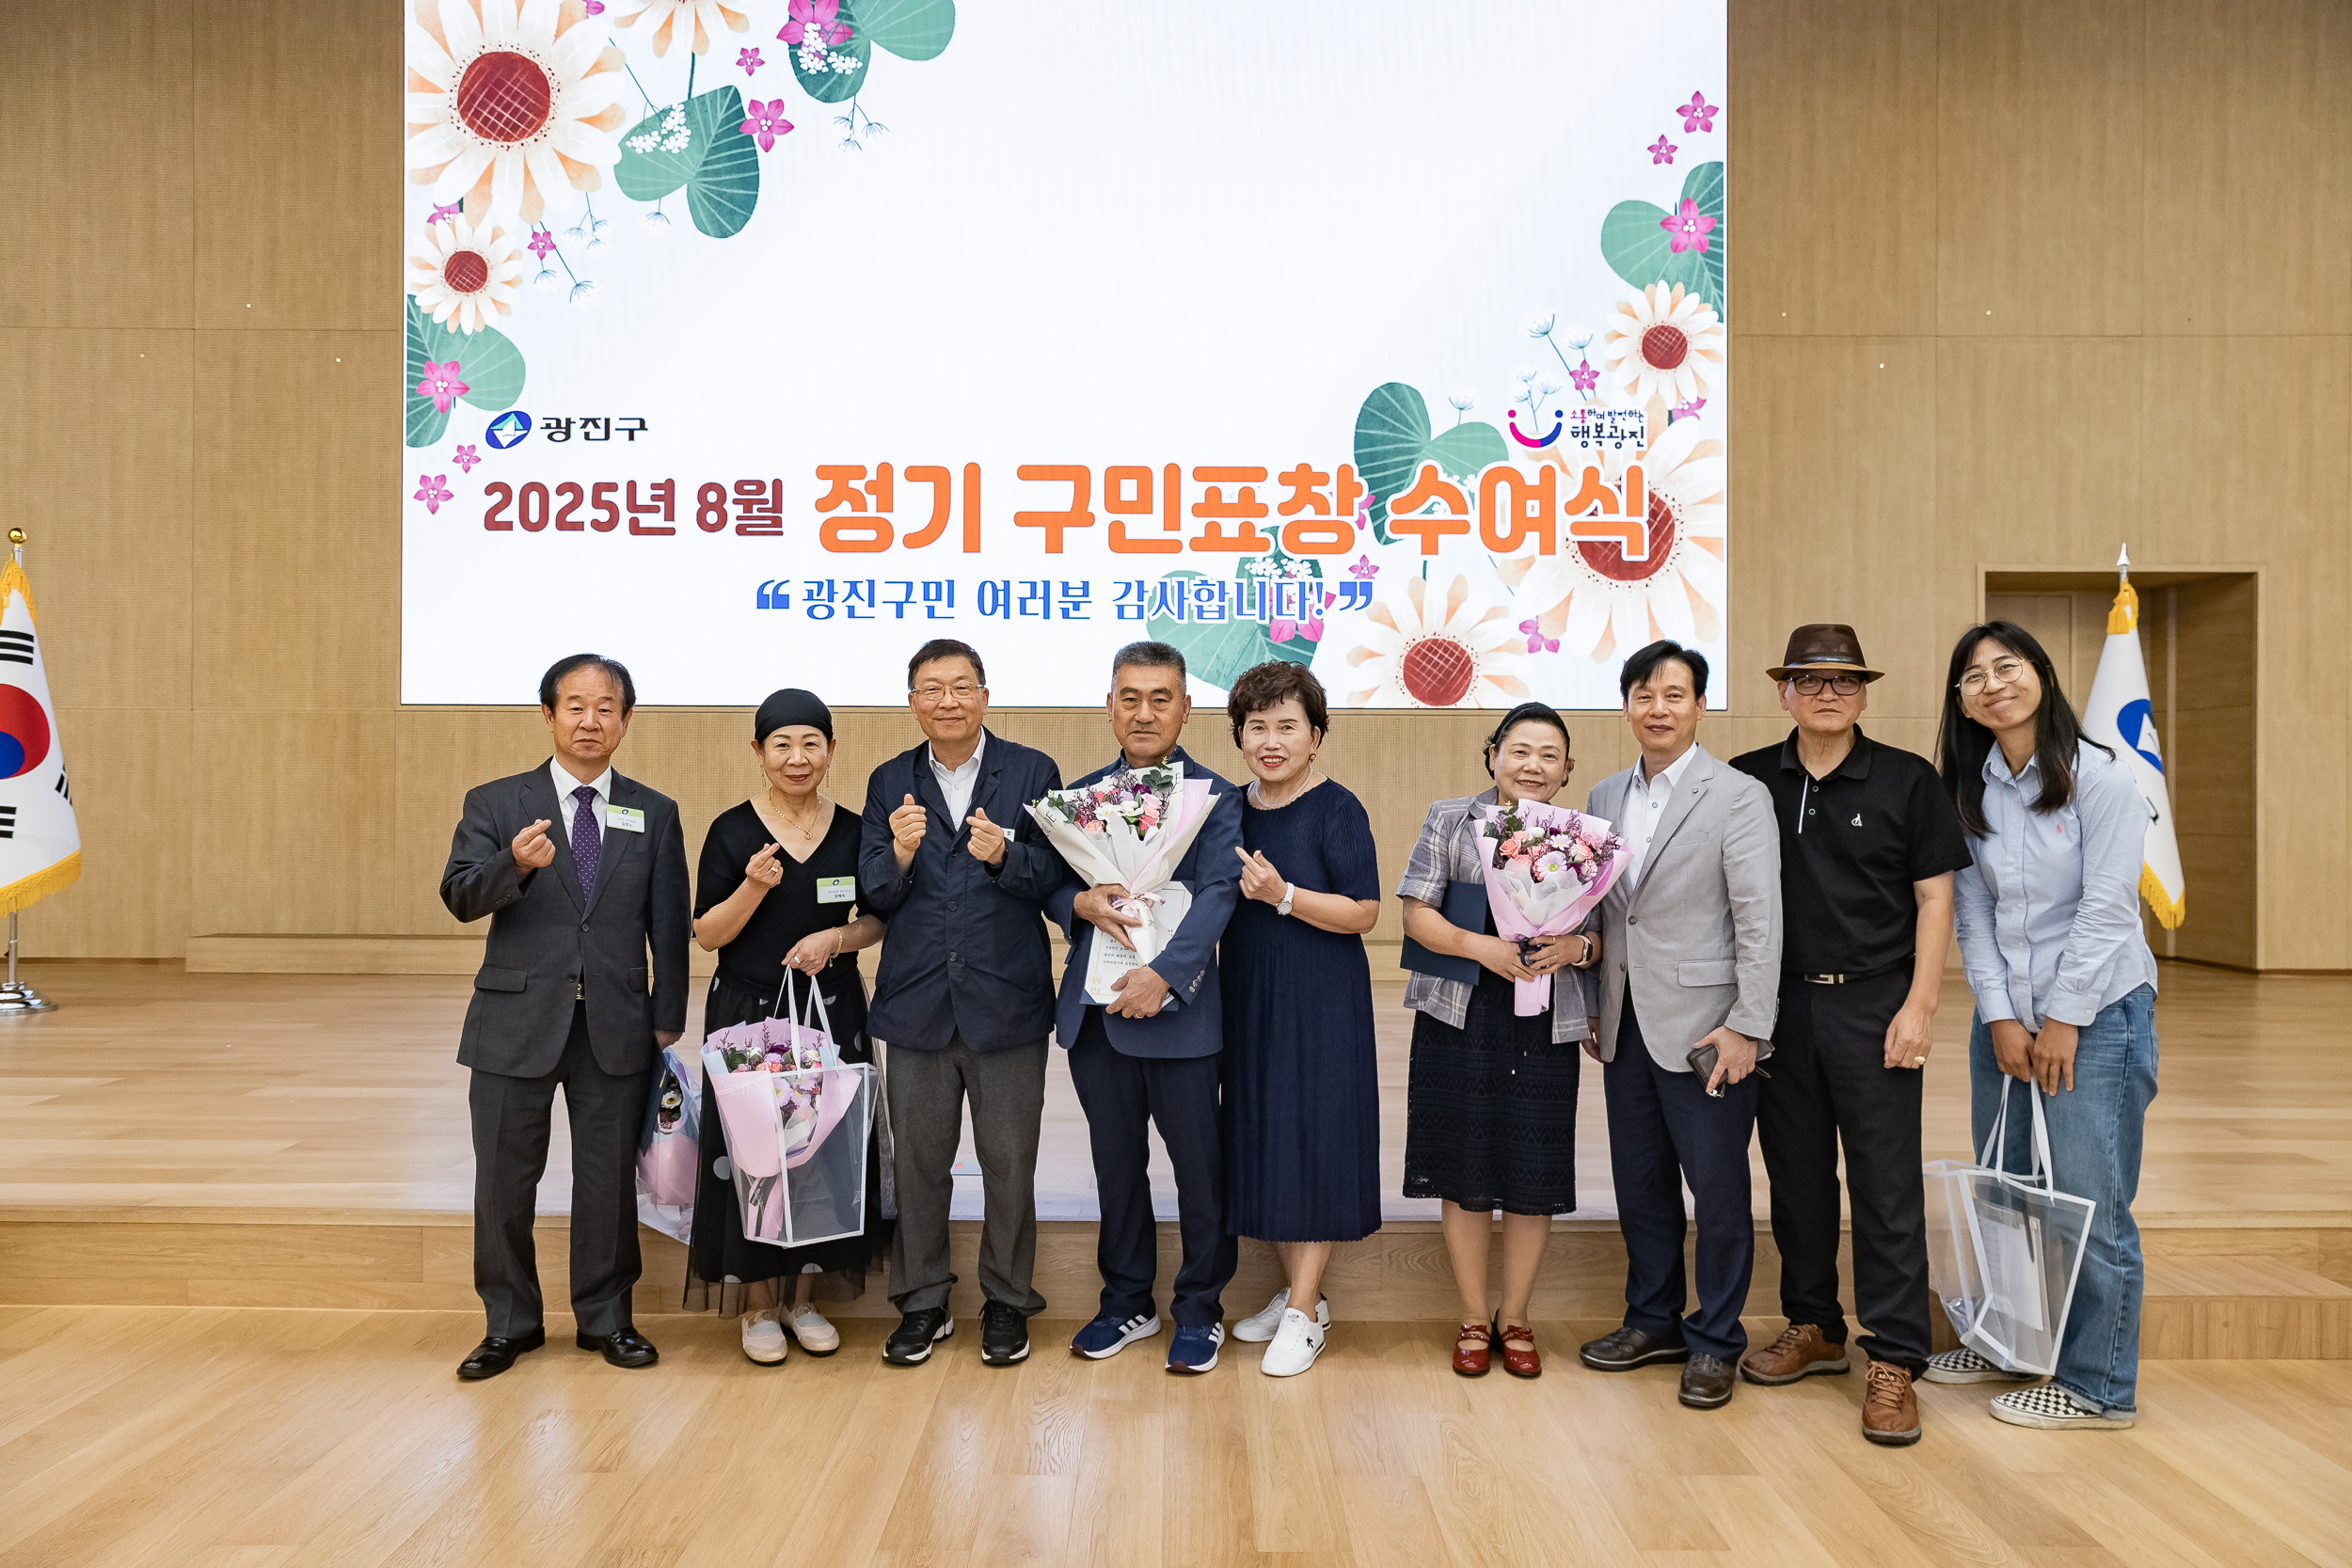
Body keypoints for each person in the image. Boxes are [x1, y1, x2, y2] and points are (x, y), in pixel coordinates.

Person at [1728, 626, 1974, 1447]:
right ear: (1784, 691)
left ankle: (1895, 1356)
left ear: (1864, 691)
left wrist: (1921, 1005)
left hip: (1876, 1005)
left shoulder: (1908, 780)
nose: (1828, 692)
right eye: (1810, 678)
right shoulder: (1748, 779)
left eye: (1843, 679)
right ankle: (1815, 1325)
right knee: (1796, 1177)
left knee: (1884, 1186)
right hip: (1778, 1008)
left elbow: (1936, 900)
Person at [1929, 622, 2159, 1431]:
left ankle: (2099, 1385)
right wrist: (1998, 1014)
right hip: (2009, 1019)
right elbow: (1973, 914)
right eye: (1974, 676)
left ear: (2042, 674)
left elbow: (2108, 908)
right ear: (1961, 701)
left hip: (2097, 1015)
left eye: (2008, 666)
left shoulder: (2102, 778)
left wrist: (2063, 1018)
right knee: (2008, 1187)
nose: (1993, 683)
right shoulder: (1969, 786)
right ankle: (2012, 1343)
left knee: (2091, 1200)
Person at [438, 654, 691, 1381]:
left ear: (626, 720)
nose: (590, 720)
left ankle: (607, 1318)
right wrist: (514, 865)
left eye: (606, 707)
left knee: (606, 1181)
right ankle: (508, 1322)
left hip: (617, 1024)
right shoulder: (496, 802)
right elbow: (460, 896)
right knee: (503, 1182)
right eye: (575, 705)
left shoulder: (654, 810)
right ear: (548, 715)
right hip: (513, 1021)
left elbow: (668, 922)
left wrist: (667, 1015)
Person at [1577, 640, 1782, 1411]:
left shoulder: (1738, 794)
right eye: (1644, 694)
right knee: (1641, 1183)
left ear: (1699, 705)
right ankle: (1652, 1319)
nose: (1657, 708)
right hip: (1624, 1020)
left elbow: (1759, 918)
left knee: (1718, 1191)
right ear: (1627, 705)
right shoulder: (1602, 795)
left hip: (1708, 1029)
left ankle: (1717, 1338)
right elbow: (1601, 911)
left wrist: (1747, 1025)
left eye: (1674, 694)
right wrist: (1594, 1002)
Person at [858, 640, 1066, 1370]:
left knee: (1010, 1161)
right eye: (931, 688)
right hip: (916, 1003)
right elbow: (874, 889)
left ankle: (1007, 1299)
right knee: (918, 1164)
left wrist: (1005, 855)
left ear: (984, 695)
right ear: (912, 702)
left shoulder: (1033, 772)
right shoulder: (890, 780)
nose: (947, 699)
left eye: (961, 686)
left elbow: (1055, 873)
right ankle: (923, 1301)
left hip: (1006, 1002)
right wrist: (900, 853)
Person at [1045, 641, 1245, 1374]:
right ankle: (1127, 1300)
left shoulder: (1216, 798)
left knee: (1200, 1170)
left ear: (1186, 708)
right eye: (1129, 697)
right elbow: (1048, 882)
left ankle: (1200, 1308)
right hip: (1097, 1015)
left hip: (1180, 1017)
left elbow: (1219, 894)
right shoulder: (1080, 798)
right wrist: (1076, 902)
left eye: (1161, 698)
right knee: (1116, 1166)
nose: (1144, 712)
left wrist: (1163, 975)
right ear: (1109, 707)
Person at [1398, 702, 1602, 1379]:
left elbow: (1604, 939)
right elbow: (1416, 912)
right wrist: (1481, 947)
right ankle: (1470, 1314)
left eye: (1549, 755)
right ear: (1493, 755)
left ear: (1566, 770)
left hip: (1544, 1021)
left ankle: (1515, 1315)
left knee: (1531, 1169)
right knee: (1462, 1165)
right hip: (1459, 1012)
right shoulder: (1450, 818)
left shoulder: (1584, 837)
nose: (1533, 766)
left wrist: (1577, 948)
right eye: (1519, 750)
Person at [688, 689, 887, 1365]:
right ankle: (756, 1305)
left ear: (831, 750)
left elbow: (878, 919)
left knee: (821, 1151)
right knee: (753, 1154)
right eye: (781, 744)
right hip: (749, 1018)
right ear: (758, 751)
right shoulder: (731, 831)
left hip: (832, 1012)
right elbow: (707, 933)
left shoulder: (856, 830)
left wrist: (837, 938)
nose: (797, 757)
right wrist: (753, 886)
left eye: (810, 743)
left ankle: (803, 1299)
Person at [1217, 661, 1383, 1377]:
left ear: (1316, 736)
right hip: (1248, 990)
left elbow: (1365, 911)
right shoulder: (1229, 807)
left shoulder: (1338, 807)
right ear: (1239, 736)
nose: (1271, 741)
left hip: (1321, 997)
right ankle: (1299, 1297)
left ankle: (1304, 1310)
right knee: (1268, 1134)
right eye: (1257, 727)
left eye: (1288, 726)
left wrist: (1284, 896)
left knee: (1315, 1138)